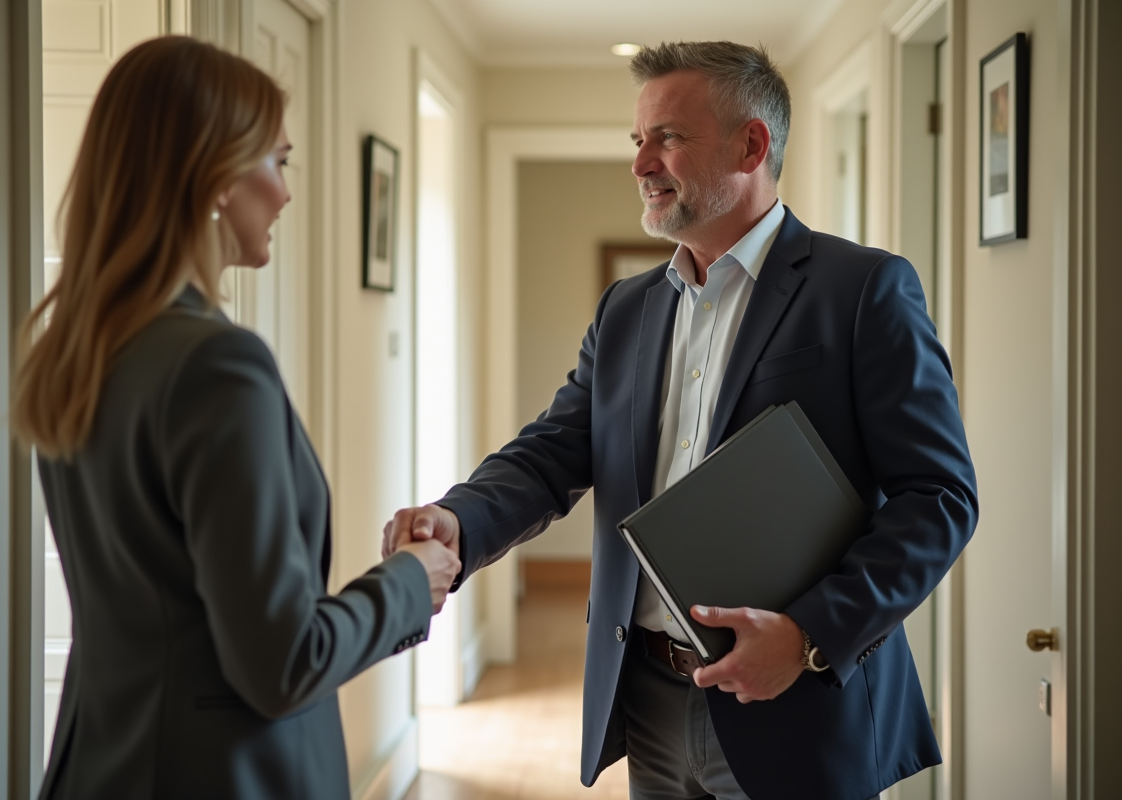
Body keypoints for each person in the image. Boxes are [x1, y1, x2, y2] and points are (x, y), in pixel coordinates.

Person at [385, 40, 977, 800]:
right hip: (647, 700)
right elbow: (554, 452)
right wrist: (458, 521)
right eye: (638, 140)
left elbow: (939, 497)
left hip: (797, 705)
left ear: (750, 145)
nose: (640, 163)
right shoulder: (626, 308)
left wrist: (808, 637)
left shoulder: (863, 290)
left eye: (667, 138)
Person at [12, 36, 460, 800]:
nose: (285, 194)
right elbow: (283, 661)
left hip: (101, 763)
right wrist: (410, 581)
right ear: (217, 175)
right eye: (278, 162)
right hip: (223, 776)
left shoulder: (75, 351)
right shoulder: (217, 365)